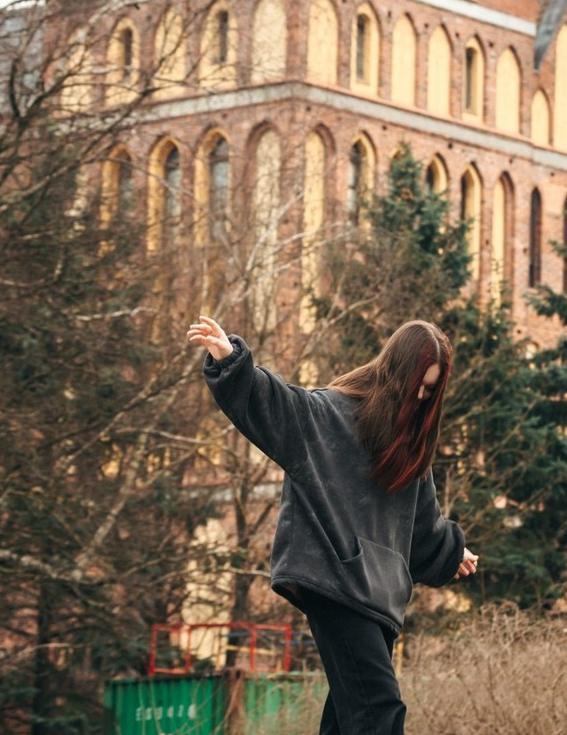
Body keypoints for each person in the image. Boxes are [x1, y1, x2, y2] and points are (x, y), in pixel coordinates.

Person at [187, 313, 477, 735]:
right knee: (379, 710)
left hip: (378, 599)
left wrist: (454, 552)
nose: (419, 395)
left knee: (346, 722)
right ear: (395, 371)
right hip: (334, 582)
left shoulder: (410, 448)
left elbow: (422, 528)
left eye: (429, 390)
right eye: (416, 383)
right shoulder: (330, 413)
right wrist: (231, 359)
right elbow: (276, 405)